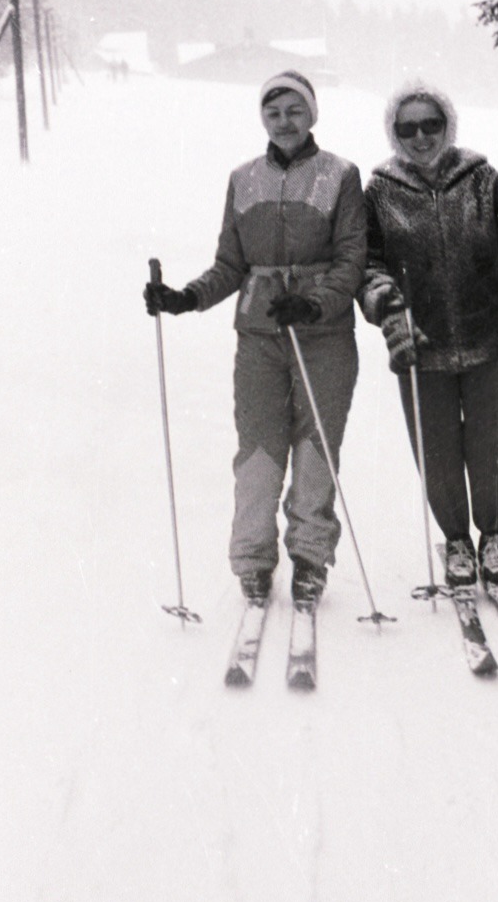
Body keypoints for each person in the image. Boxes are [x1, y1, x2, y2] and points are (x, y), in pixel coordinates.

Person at [143, 69, 368, 605]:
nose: (285, 122)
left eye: (294, 111)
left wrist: (314, 301)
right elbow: (230, 263)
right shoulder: (243, 179)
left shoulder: (340, 175)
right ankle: (252, 559)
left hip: (324, 333)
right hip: (260, 336)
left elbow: (351, 259)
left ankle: (311, 558)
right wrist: (187, 297)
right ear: (262, 120)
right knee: (259, 451)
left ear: (312, 114)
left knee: (316, 450)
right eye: (274, 112)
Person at [359, 81, 498, 590]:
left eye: (431, 124)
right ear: (394, 133)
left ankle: (493, 538)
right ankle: (457, 540)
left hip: (490, 337)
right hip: (421, 344)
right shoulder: (378, 192)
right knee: (437, 450)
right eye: (408, 127)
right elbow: (368, 267)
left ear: (449, 125)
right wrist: (389, 312)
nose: (421, 136)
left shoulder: (483, 179)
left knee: (493, 445)